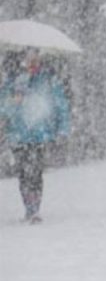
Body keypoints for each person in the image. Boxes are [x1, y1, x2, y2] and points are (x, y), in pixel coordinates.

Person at [0, 49, 71, 224]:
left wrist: (62, 130)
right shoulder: (12, 81)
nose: (32, 63)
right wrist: (13, 101)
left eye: (35, 59)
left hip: (40, 135)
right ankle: (29, 207)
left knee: (36, 172)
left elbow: (61, 106)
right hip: (18, 135)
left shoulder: (48, 80)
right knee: (23, 173)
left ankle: (34, 209)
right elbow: (3, 108)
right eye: (28, 59)